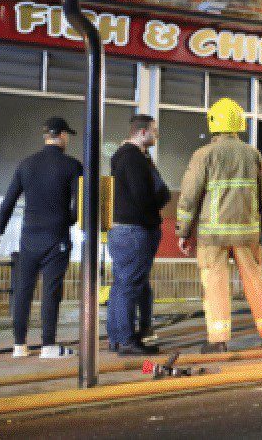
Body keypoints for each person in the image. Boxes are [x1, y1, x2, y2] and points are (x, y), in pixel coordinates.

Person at [177, 98, 262, 352]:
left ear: (213, 122)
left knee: (215, 285)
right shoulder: (253, 154)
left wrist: (184, 231)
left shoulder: (204, 155)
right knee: (256, 281)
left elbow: (189, 197)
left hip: (212, 234)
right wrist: (258, 226)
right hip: (247, 232)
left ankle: (219, 341)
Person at [0, 117, 80, 359]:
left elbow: (9, 200)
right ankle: (48, 345)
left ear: (46, 136)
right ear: (62, 135)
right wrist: (68, 221)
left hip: (29, 238)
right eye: (67, 135)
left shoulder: (26, 164)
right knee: (51, 291)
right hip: (56, 238)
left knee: (23, 289)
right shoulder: (72, 166)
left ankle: (19, 345)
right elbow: (80, 205)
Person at [106, 114, 169, 356]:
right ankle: (126, 340)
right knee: (129, 286)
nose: (157, 134)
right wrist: (161, 197)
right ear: (142, 132)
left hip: (124, 230)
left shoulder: (127, 156)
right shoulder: (132, 159)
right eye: (154, 130)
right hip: (134, 231)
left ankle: (117, 338)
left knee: (122, 284)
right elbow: (143, 197)